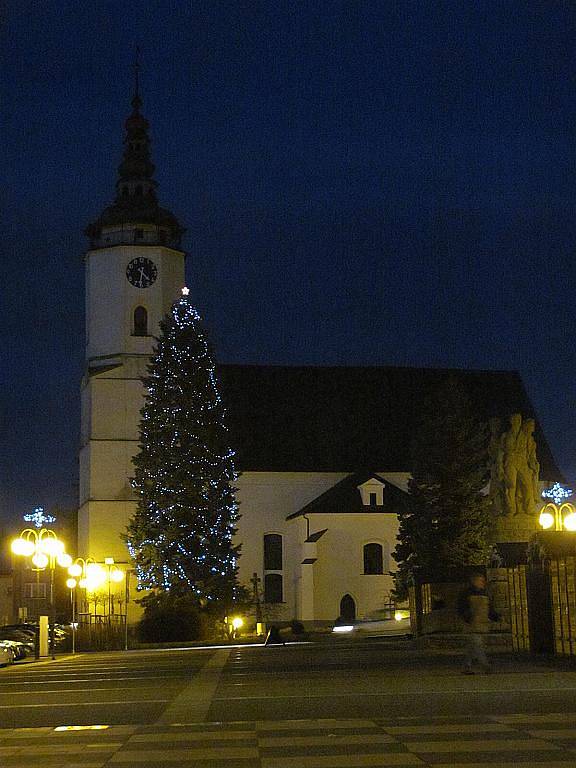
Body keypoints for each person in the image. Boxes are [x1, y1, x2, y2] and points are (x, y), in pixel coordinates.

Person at [457, 573, 500, 674]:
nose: (482, 583)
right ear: (474, 581)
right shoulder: (467, 593)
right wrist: (467, 617)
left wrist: (496, 617)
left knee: (472, 647)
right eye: (480, 580)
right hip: (472, 623)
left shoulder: (485, 593)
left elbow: (489, 609)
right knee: (478, 645)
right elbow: (462, 608)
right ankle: (486, 665)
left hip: (481, 623)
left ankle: (466, 667)